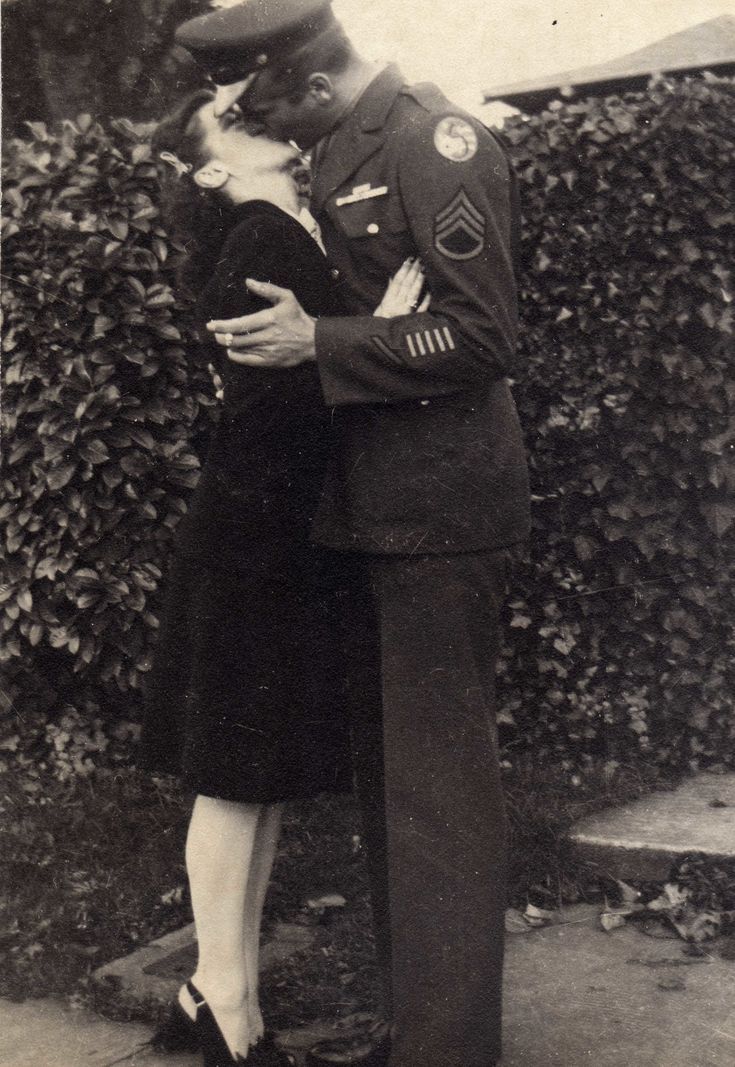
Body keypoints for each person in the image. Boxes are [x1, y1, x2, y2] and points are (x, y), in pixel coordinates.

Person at [175, 3, 532, 1065]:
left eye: (268, 105)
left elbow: (482, 331)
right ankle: (416, 1030)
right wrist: (357, 330)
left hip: (437, 513)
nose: (267, 130)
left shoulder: (433, 139)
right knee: (397, 799)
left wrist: (322, 337)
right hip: (370, 512)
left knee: (439, 802)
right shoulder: (339, 148)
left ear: (316, 86)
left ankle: (446, 1048)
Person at [141, 85, 429, 1067]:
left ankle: (225, 1001)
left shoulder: (285, 219)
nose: (247, 103)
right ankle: (222, 997)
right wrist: (380, 323)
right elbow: (292, 404)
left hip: (274, 538)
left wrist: (354, 329)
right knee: (232, 780)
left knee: (253, 781)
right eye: (226, 109)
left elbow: (310, 367)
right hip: (254, 542)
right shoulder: (260, 235)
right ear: (212, 166)